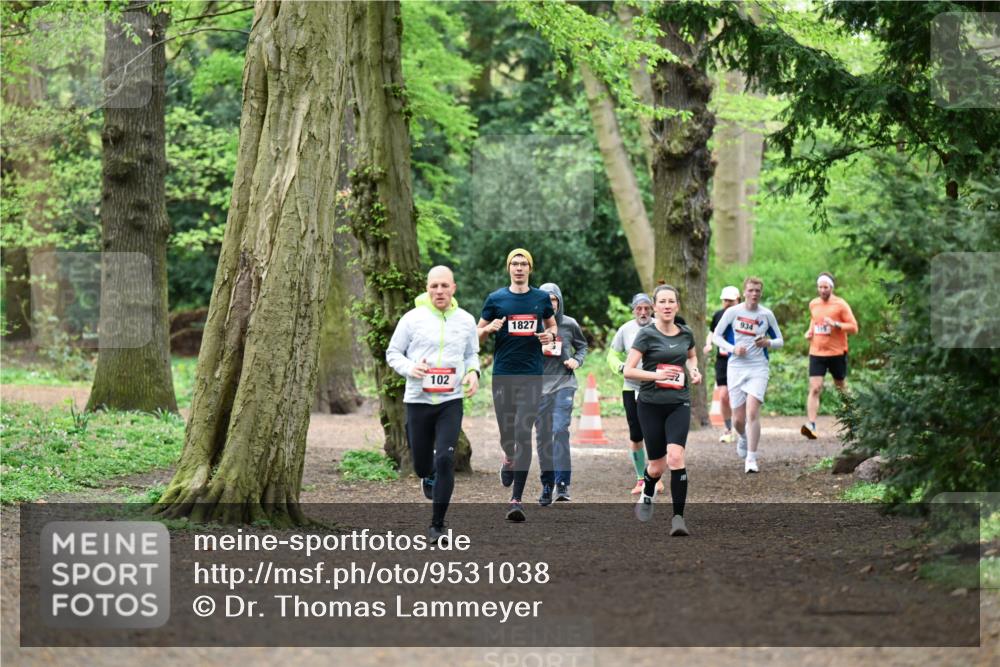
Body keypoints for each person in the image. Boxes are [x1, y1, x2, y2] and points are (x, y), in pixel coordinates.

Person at [386, 266, 481, 544]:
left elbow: (471, 354)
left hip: (451, 400)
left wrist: (473, 373)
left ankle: (437, 525)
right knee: (423, 465)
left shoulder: (465, 320)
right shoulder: (412, 319)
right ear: (427, 289)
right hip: (418, 400)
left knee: (445, 459)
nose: (439, 291)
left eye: (444, 286)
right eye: (433, 286)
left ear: (454, 288)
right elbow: (393, 352)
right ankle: (426, 477)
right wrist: (410, 368)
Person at [477, 249, 557, 522]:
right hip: (503, 374)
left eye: (524, 264)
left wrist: (549, 335)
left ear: (530, 269)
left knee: (523, 432)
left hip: (532, 375)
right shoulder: (496, 299)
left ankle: (516, 499)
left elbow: (552, 326)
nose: (519, 268)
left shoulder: (540, 298)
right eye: (515, 263)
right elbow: (476, 335)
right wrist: (489, 330)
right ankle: (508, 457)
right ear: (508, 268)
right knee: (508, 435)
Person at [623, 284, 701, 536]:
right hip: (650, 405)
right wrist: (655, 374)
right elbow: (629, 370)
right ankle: (648, 491)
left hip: (679, 402)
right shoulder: (646, 335)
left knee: (675, 458)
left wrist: (694, 370)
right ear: (655, 307)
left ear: (677, 305)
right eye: (662, 302)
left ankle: (678, 518)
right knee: (656, 467)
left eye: (671, 301)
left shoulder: (686, 333)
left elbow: (691, 356)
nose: (667, 306)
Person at [712, 276, 784, 473]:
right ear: (744, 292)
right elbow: (716, 337)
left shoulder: (766, 314)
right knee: (738, 419)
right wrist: (733, 348)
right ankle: (742, 436)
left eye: (758, 291)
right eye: (751, 290)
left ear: (761, 293)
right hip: (736, 367)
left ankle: (751, 458)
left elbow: (780, 340)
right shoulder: (733, 312)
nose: (754, 294)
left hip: (758, 367)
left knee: (753, 411)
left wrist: (768, 343)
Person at [535, 282, 587, 505]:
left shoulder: (569, 324)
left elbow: (582, 346)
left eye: (554, 300)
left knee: (560, 430)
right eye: (546, 300)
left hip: (564, 384)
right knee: (544, 436)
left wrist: (576, 360)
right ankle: (547, 484)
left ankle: (563, 483)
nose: (551, 304)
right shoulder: (533, 324)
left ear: (559, 301)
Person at [607, 293, 663, 495]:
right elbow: (612, 354)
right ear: (633, 310)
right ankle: (641, 478)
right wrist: (620, 367)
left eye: (647, 308)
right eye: (639, 308)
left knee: (656, 431)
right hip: (631, 387)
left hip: (656, 386)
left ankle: (655, 477)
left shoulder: (661, 326)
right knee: (636, 433)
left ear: (653, 309)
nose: (643, 312)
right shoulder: (626, 329)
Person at [801, 272, 858, 439]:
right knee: (815, 387)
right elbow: (814, 319)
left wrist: (836, 324)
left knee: (840, 386)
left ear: (831, 287)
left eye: (825, 287)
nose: (822, 290)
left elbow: (854, 327)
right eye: (820, 287)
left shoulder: (840, 305)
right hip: (817, 352)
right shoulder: (813, 304)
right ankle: (811, 425)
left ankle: (853, 421)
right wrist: (810, 331)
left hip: (836, 352)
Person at [703, 286, 740, 444]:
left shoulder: (743, 316)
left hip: (740, 361)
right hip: (723, 360)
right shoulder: (718, 315)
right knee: (724, 395)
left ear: (738, 300)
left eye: (730, 301)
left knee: (739, 396)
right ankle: (728, 428)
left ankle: (741, 428)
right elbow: (711, 333)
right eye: (725, 300)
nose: (727, 303)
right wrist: (708, 344)